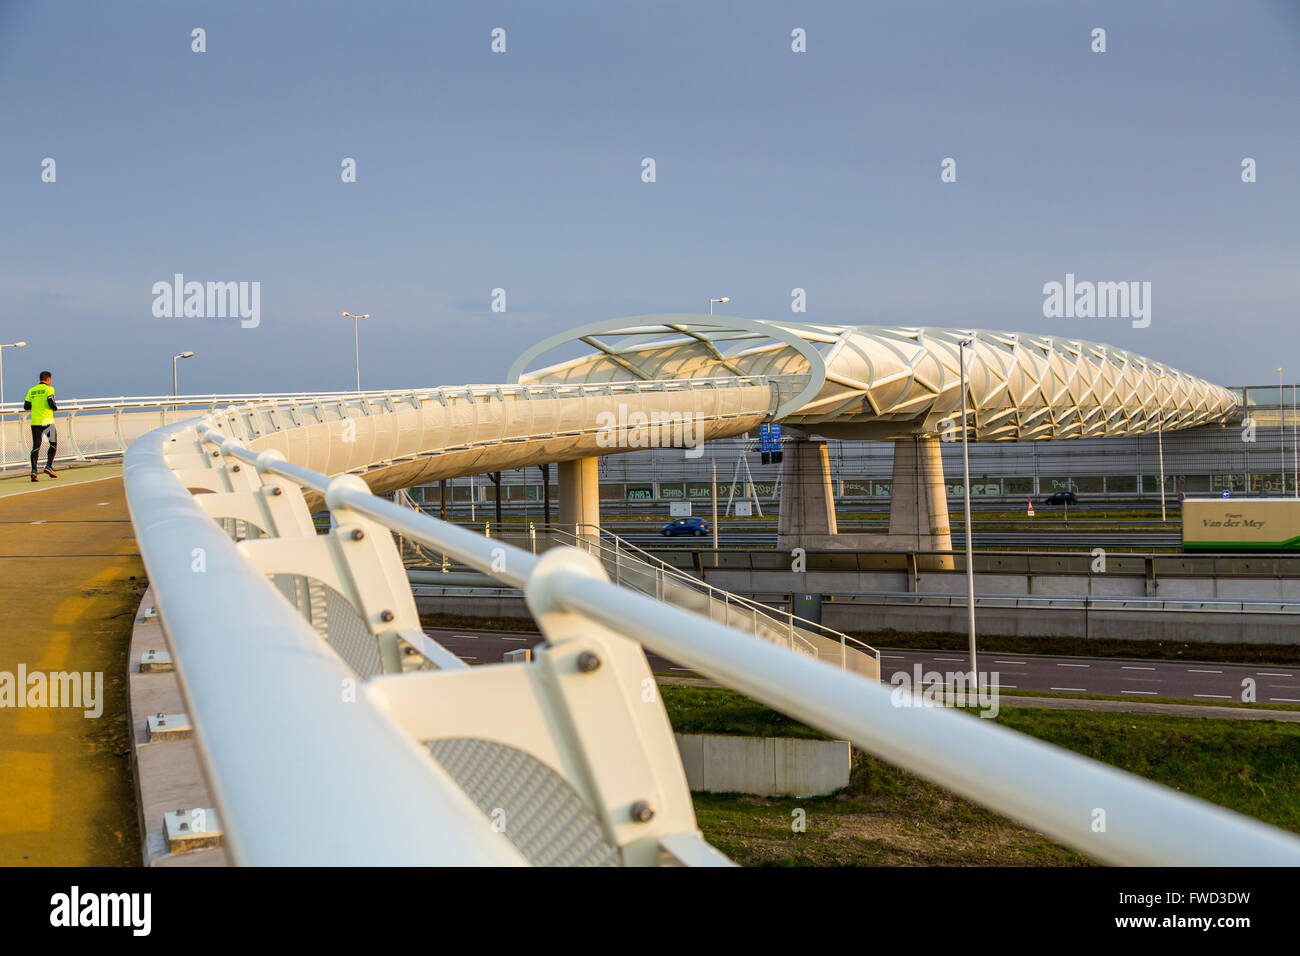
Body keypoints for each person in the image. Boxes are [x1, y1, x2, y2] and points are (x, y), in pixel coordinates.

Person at [24, 370, 58, 482]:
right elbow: (50, 401)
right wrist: (55, 408)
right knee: (53, 443)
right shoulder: (49, 389)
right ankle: (48, 466)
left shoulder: (32, 390)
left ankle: (34, 470)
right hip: (47, 421)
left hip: (35, 422)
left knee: (36, 446)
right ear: (48, 379)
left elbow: (26, 406)